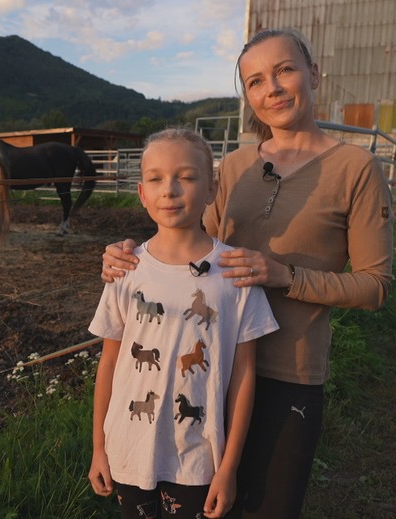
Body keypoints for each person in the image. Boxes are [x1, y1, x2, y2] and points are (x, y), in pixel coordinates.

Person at [100, 28, 394, 518]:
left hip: (288, 374)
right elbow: (192, 248)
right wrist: (130, 254)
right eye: (255, 81)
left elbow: (376, 287)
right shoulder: (233, 167)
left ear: (313, 74)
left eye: (284, 71)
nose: (272, 88)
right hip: (208, 377)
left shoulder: (355, 168)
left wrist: (286, 276)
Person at [88, 127, 280, 519]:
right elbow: (109, 365)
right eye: (155, 179)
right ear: (142, 194)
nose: (170, 190)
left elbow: (244, 376)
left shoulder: (234, 274)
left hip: (197, 460)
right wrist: (99, 448)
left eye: (187, 177)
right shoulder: (126, 271)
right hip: (128, 450)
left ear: (211, 190)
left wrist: (227, 468)